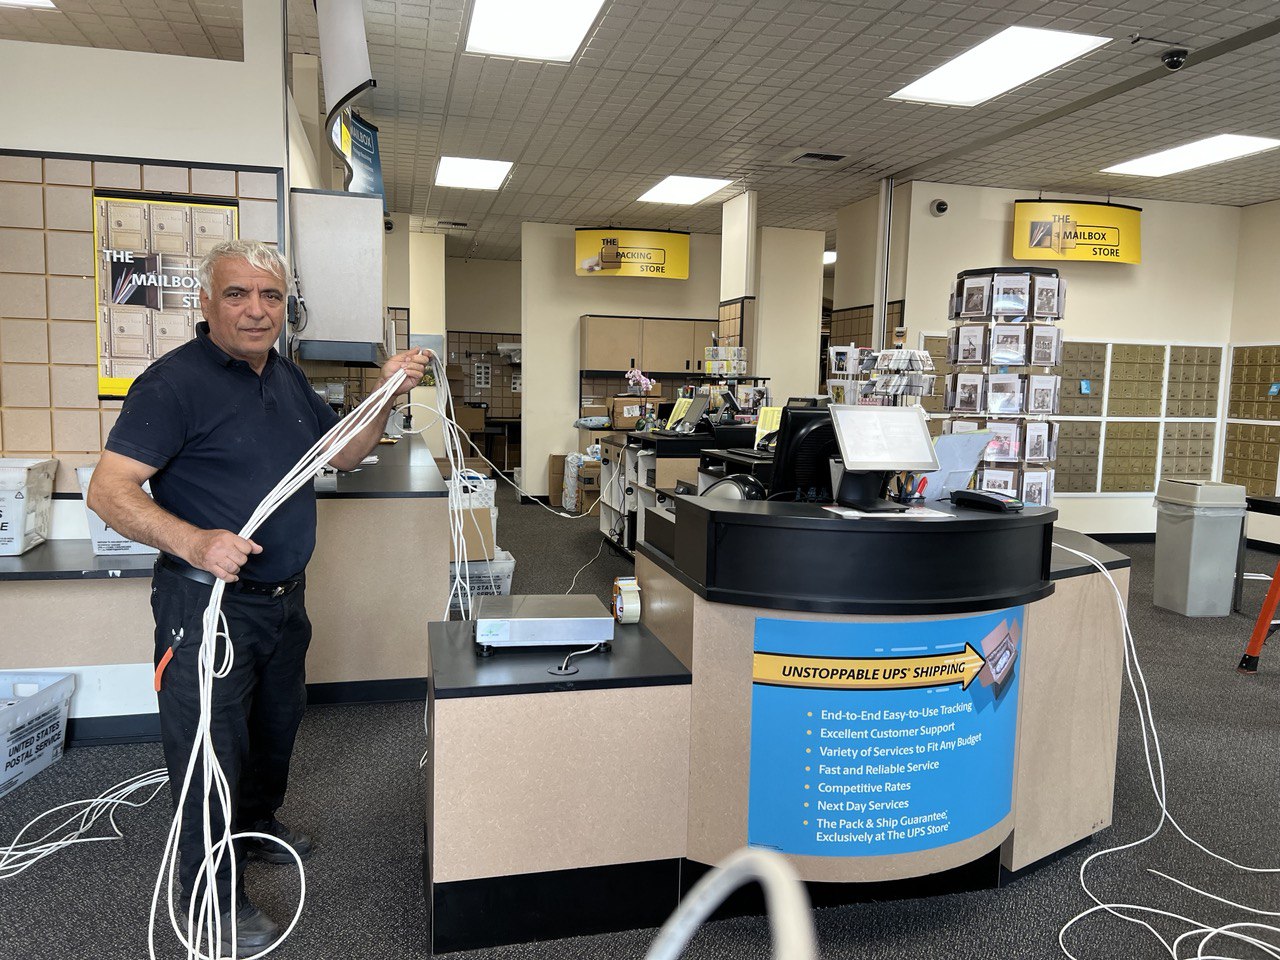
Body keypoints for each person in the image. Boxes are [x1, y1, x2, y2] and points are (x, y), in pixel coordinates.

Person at [87, 239, 429, 956]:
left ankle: (255, 825)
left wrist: (386, 394)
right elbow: (109, 491)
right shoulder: (172, 384)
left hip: (281, 602)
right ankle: (211, 899)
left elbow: (344, 453)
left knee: (275, 729)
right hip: (206, 606)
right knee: (210, 752)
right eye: (237, 294)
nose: (255, 310)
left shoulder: (284, 375)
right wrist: (194, 542)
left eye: (270, 296)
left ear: (285, 307)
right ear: (207, 302)